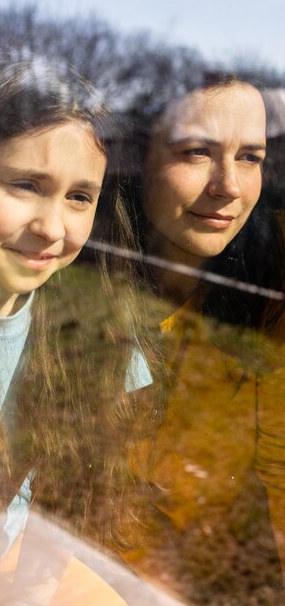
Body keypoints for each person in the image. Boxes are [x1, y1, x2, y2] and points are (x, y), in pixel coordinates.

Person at [0, 58, 156, 605]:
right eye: (25, 185)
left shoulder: (95, 334)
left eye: (78, 197)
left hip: (5, 571)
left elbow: (60, 503)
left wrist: (29, 599)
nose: (51, 229)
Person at [123, 75, 285, 602]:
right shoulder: (68, 276)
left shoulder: (269, 277)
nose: (230, 186)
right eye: (197, 152)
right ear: (136, 159)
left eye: (251, 157)